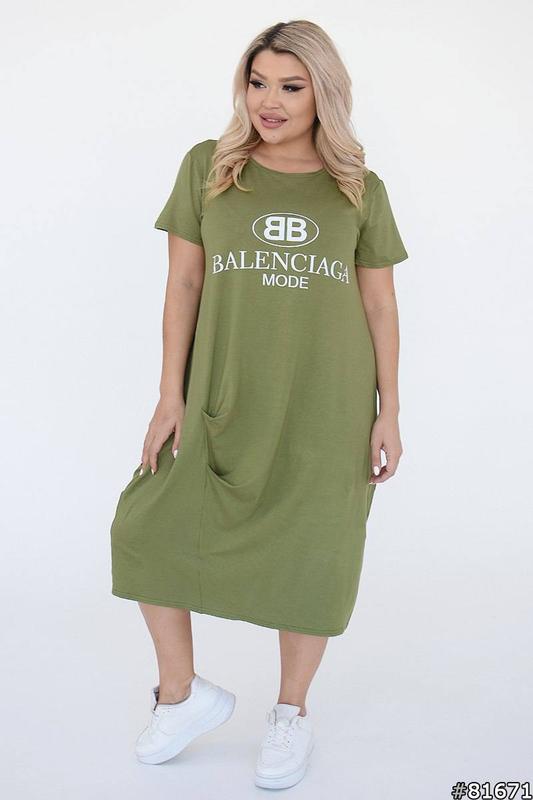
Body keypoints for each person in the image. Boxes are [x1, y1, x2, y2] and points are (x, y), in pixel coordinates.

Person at [110, 19, 408, 790]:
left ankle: (290, 713)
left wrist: (388, 409)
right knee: (143, 529)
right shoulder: (209, 168)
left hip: (326, 405)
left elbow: (379, 304)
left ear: (322, 94)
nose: (268, 101)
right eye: (257, 82)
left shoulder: (358, 188)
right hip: (222, 394)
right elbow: (183, 283)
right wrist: (169, 394)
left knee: (313, 554)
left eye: (290, 86)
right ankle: (181, 696)